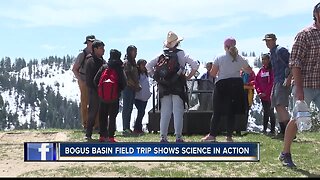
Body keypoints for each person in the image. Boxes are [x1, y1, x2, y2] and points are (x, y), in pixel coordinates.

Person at [279, 2, 320, 168]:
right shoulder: (305, 34)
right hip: (305, 84)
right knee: (297, 119)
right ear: (316, 14)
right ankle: (285, 153)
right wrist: (300, 88)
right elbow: (295, 62)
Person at [146, 31, 199, 142]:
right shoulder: (182, 53)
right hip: (178, 85)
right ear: (177, 43)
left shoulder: (161, 54)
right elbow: (195, 65)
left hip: (164, 86)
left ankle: (163, 137)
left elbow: (148, 66)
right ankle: (178, 137)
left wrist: (158, 79)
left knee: (165, 112)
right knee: (178, 111)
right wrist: (188, 77)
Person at [201, 37, 252, 142]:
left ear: (225, 46)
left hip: (222, 84)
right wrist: (239, 69)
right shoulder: (240, 58)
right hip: (236, 85)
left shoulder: (220, 57)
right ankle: (229, 136)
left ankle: (212, 135)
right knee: (231, 111)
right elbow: (249, 71)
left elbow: (213, 73)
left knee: (217, 111)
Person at [94, 49, 127, 143]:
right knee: (112, 117)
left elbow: (95, 80)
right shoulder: (119, 68)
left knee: (102, 116)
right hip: (114, 97)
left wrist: (101, 91)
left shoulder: (104, 67)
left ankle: (102, 136)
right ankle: (111, 137)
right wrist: (118, 90)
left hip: (103, 97)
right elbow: (124, 83)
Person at [263, 33, 292, 139]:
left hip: (282, 81)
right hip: (277, 81)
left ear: (275, 40)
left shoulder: (281, 50)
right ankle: (283, 131)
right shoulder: (272, 53)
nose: (267, 43)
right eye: (266, 41)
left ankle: (290, 132)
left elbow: (292, 64)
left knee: (280, 105)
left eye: (269, 40)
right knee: (276, 105)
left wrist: (289, 78)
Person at [72, 35, 99, 130]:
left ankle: (96, 124)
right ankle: (86, 124)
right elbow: (75, 69)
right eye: (91, 41)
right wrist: (81, 81)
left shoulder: (97, 54)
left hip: (95, 81)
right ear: (87, 42)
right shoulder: (82, 55)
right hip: (84, 80)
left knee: (96, 103)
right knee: (85, 103)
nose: (92, 43)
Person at [84, 40, 106, 141]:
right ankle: (88, 133)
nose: (103, 50)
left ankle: (103, 133)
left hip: (103, 91)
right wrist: (95, 88)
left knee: (103, 113)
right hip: (94, 91)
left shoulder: (102, 61)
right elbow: (89, 78)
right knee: (92, 112)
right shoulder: (90, 61)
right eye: (101, 48)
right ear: (95, 49)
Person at [122, 45, 141, 136]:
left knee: (130, 108)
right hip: (127, 87)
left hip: (133, 88)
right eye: (134, 51)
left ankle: (127, 127)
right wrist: (135, 85)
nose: (136, 53)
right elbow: (127, 77)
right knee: (126, 108)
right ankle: (125, 128)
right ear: (129, 52)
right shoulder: (127, 62)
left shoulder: (133, 62)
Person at [255, 53, 276, 135]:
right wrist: (259, 92)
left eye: (265, 59)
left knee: (271, 112)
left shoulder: (272, 70)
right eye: (262, 59)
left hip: (270, 95)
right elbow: (257, 82)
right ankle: (264, 129)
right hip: (262, 96)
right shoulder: (261, 71)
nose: (263, 61)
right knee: (265, 112)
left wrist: (266, 93)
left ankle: (273, 130)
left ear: (269, 60)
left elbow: (272, 83)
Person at [133, 59, 152, 135]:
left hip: (145, 97)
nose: (144, 66)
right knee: (141, 112)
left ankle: (138, 128)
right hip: (138, 97)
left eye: (145, 65)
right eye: (143, 65)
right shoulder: (137, 74)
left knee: (142, 112)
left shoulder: (146, 74)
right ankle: (137, 128)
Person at [239, 67, 255, 135]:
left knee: (246, 110)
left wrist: (249, 83)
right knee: (240, 110)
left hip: (248, 92)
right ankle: (239, 128)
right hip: (240, 92)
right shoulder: (240, 73)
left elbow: (255, 80)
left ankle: (244, 128)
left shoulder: (252, 73)